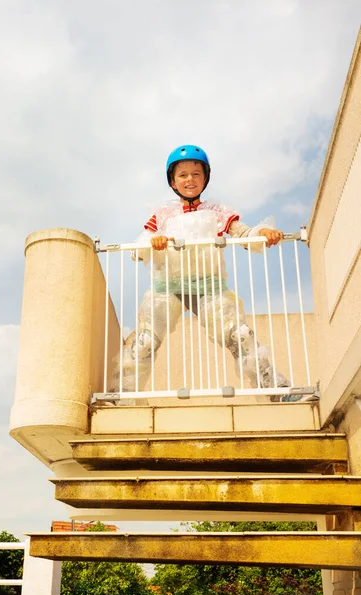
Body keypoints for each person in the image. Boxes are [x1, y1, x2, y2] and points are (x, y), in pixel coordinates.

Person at [110, 144, 302, 404]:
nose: (190, 179)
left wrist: (264, 233)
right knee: (144, 340)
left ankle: (278, 391)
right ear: (173, 182)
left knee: (240, 335)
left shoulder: (218, 212)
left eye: (196, 174)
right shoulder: (162, 213)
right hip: (167, 287)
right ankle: (120, 396)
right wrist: (152, 242)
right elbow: (142, 242)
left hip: (209, 286)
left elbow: (243, 234)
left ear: (205, 178)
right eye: (183, 175)